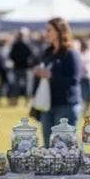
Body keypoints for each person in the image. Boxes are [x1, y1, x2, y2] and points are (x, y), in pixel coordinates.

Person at [35, 17, 83, 146]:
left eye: (49, 30)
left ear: (60, 31)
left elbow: (74, 80)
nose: (46, 33)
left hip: (66, 106)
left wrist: (51, 75)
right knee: (48, 147)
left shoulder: (71, 54)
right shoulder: (48, 53)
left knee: (64, 148)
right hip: (47, 105)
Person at [8, 29, 35, 106]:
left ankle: (17, 101)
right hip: (24, 68)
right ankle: (23, 101)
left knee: (19, 86)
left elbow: (11, 56)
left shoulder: (16, 45)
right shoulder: (27, 44)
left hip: (21, 68)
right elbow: (32, 56)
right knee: (26, 86)